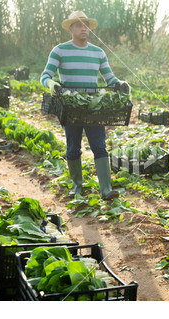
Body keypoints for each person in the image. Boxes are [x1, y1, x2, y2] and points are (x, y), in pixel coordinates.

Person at [40, 11, 130, 200]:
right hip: (70, 107)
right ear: (71, 28)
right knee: (73, 147)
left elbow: (110, 78)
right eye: (79, 25)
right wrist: (51, 84)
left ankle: (106, 189)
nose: (84, 28)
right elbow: (45, 75)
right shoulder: (60, 50)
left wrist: (120, 83)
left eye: (86, 25)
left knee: (99, 146)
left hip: (93, 107)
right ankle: (77, 186)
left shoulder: (98, 52)